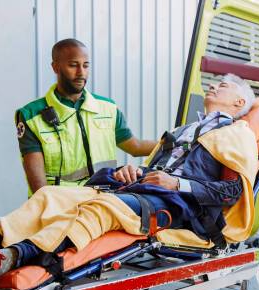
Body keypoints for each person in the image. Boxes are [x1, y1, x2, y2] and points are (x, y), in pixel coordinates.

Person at [0, 73, 256, 289]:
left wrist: (176, 184)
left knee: (103, 208)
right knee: (51, 195)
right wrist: (132, 170)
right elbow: (154, 167)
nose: (213, 86)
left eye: (223, 86)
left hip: (179, 206)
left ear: (239, 103)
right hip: (143, 188)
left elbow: (231, 192)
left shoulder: (236, 134)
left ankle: (12, 257)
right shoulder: (185, 130)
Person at [16, 38, 157, 193]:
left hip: (104, 200)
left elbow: (135, 147)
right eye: (73, 65)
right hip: (60, 204)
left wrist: (175, 143)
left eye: (85, 65)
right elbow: (40, 189)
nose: (81, 73)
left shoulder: (108, 108)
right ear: (55, 67)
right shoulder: (30, 116)